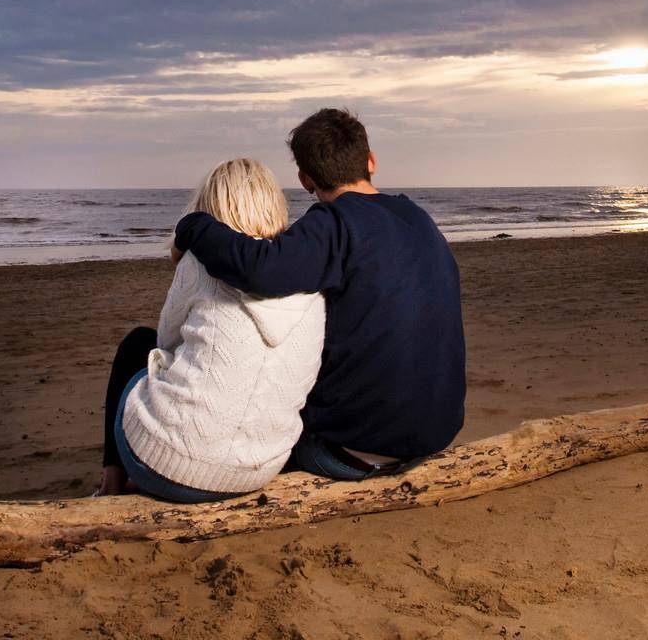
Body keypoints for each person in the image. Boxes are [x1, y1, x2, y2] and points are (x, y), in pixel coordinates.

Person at [173, 108, 465, 480]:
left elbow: (259, 269)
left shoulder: (335, 223)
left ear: (305, 178)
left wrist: (194, 225)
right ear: (371, 162)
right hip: (433, 434)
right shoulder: (417, 218)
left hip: (352, 448)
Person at [97, 157, 326, 501]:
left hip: (168, 467)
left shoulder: (200, 263)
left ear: (211, 207)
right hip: (260, 470)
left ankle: (110, 484)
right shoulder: (309, 276)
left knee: (137, 345)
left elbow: (166, 341)